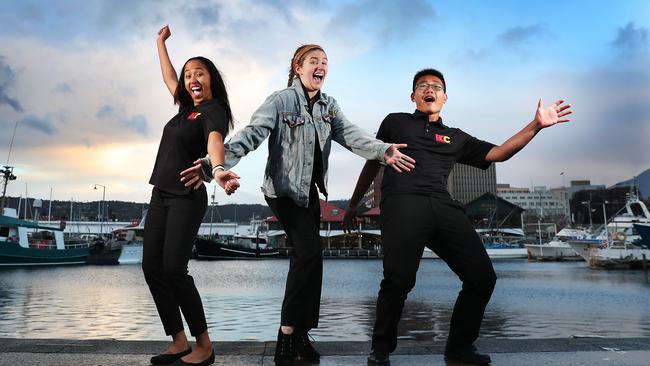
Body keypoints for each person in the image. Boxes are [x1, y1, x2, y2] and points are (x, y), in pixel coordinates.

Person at [179, 44, 415, 365]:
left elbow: (352, 135)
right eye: (314, 61)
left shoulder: (329, 107)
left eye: (325, 62)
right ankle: (287, 337)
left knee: (311, 259)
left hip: (309, 194)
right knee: (309, 252)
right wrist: (212, 165)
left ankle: (302, 335)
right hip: (283, 192)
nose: (321, 66)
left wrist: (383, 150)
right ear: (297, 67)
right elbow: (250, 135)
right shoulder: (280, 101)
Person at [343, 68, 572, 365]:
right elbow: (373, 161)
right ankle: (381, 349)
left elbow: (500, 153)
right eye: (422, 86)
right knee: (398, 280)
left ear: (445, 97)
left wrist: (536, 125)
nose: (429, 90)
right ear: (413, 96)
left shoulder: (456, 137)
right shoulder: (394, 122)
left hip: (442, 205)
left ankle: (459, 347)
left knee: (482, 277)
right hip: (403, 203)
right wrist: (353, 205)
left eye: (436, 86)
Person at [143, 25, 237, 366]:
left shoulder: (214, 110)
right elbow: (168, 76)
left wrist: (218, 168)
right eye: (188, 74)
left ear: (211, 79)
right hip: (160, 194)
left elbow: (215, 140)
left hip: (186, 197)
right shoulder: (185, 107)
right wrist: (160, 43)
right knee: (151, 267)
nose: (191, 78)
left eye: (199, 72)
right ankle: (179, 341)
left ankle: (204, 344)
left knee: (174, 269)